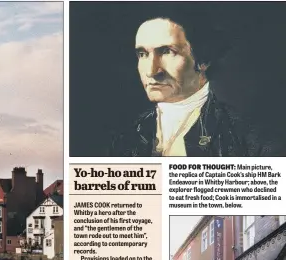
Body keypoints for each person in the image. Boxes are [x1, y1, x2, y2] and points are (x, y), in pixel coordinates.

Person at [108, 9, 273, 157]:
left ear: (203, 60)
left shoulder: (246, 138)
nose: (151, 71)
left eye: (167, 52)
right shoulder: (128, 136)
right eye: (143, 54)